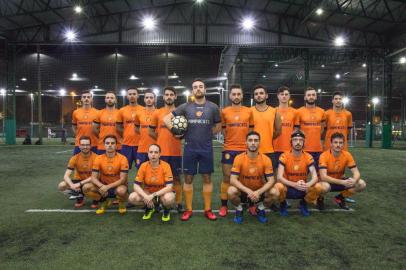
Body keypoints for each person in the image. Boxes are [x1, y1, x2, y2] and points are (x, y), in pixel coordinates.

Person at [164, 78, 221, 221]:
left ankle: (207, 209)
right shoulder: (185, 107)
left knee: (207, 178)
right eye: (195, 87)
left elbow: (218, 126)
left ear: (205, 89)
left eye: (201, 86)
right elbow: (166, 119)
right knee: (188, 178)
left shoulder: (213, 107)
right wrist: (176, 131)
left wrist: (207, 135)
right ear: (192, 90)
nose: (198, 89)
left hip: (206, 148)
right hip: (190, 149)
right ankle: (188, 210)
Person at [218, 84, 254, 217]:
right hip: (229, 149)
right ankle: (223, 206)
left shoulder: (249, 111)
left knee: (247, 179)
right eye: (234, 94)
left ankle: (250, 204)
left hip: (245, 151)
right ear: (230, 96)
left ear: (242, 95)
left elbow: (251, 130)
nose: (236, 96)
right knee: (227, 178)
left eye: (239, 94)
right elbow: (223, 129)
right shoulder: (225, 111)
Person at [269, 130, 323, 217]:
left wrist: (307, 184)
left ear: (304, 142)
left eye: (301, 140)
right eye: (295, 140)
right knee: (278, 186)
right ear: (291, 142)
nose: (298, 142)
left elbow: (315, 177)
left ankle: (303, 203)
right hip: (288, 188)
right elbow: (279, 177)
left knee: (319, 187)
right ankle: (283, 203)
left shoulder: (308, 157)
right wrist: (295, 184)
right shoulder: (284, 156)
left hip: (303, 188)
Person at [228, 131, 275, 224]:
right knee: (231, 191)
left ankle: (260, 208)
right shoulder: (239, 158)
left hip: (259, 192)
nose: (253, 143)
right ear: (246, 142)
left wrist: (258, 192)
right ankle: (239, 209)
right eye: (250, 140)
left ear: (259, 142)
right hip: (244, 192)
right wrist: (248, 191)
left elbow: (271, 180)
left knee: (275, 192)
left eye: (256, 140)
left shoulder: (266, 159)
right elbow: (232, 179)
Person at [149, 86, 183, 212]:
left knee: (177, 178)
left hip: (176, 152)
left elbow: (184, 130)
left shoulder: (180, 112)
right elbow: (150, 131)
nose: (169, 97)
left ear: (175, 97)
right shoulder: (157, 113)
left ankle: (179, 203)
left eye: (171, 95)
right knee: (160, 178)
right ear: (163, 97)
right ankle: (158, 202)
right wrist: (161, 138)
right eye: (166, 95)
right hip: (161, 152)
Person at [318, 132, 366, 210]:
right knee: (324, 187)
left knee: (361, 184)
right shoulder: (324, 156)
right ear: (331, 143)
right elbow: (323, 177)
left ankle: (340, 198)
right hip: (326, 182)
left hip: (340, 180)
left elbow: (356, 172)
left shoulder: (347, 155)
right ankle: (320, 199)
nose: (338, 145)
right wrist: (342, 182)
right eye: (335, 142)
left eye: (340, 143)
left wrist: (354, 180)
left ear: (343, 144)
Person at [82, 135, 129, 215]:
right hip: (104, 185)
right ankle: (104, 201)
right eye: (107, 143)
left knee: (121, 191)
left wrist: (107, 187)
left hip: (118, 186)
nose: (110, 145)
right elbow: (93, 178)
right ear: (104, 145)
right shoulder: (99, 158)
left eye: (112, 143)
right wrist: (101, 186)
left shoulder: (123, 158)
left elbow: (122, 179)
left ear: (116, 145)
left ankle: (121, 204)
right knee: (86, 188)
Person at [128, 144, 175, 222]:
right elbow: (136, 185)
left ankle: (166, 209)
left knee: (168, 199)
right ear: (148, 154)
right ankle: (150, 207)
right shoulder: (143, 166)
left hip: (162, 193)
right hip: (148, 192)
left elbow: (169, 186)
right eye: (151, 152)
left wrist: (153, 195)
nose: (153, 154)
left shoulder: (166, 166)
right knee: (132, 198)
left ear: (160, 154)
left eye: (156, 152)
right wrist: (146, 196)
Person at [57, 136, 97, 208]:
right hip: (78, 181)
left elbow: (94, 177)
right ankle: (80, 197)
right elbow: (66, 176)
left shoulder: (96, 158)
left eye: (87, 145)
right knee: (61, 186)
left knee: (86, 186)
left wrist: (79, 184)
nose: (85, 147)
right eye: (83, 145)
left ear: (90, 146)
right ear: (79, 146)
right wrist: (72, 185)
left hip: (92, 182)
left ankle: (95, 199)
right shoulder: (74, 158)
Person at [296, 87, 325, 170]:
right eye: (309, 95)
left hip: (318, 149)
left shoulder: (322, 111)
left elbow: (322, 129)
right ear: (305, 97)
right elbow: (297, 130)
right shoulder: (299, 111)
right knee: (301, 174)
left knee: (317, 174)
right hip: (303, 149)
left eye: (313, 95)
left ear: (316, 97)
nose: (311, 97)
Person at [116, 88, 143, 169]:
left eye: (134, 94)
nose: (132, 96)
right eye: (130, 94)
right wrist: (125, 134)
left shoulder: (143, 110)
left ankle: (140, 182)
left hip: (140, 145)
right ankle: (124, 182)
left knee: (142, 169)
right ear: (127, 96)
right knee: (124, 169)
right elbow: (118, 127)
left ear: (138, 96)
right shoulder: (122, 110)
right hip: (126, 145)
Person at [273, 86, 298, 162]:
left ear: (289, 96)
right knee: (275, 172)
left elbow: (296, 131)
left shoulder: (295, 112)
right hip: (274, 148)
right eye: (282, 94)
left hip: (290, 148)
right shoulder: (273, 111)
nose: (284, 96)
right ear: (278, 96)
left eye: (286, 94)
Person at [134, 89, 156, 169]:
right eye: (147, 97)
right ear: (144, 99)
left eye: (151, 97)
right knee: (141, 173)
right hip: (142, 148)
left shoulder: (159, 112)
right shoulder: (139, 113)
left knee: (156, 172)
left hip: (156, 149)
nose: (149, 99)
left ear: (154, 99)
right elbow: (136, 129)